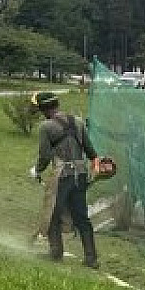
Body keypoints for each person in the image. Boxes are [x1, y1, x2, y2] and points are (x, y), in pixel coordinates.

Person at [29, 91, 112, 268]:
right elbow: (91, 153)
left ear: (44, 109)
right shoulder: (79, 123)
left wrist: (37, 170)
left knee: (52, 213)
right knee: (82, 217)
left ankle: (56, 252)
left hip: (63, 176)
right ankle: (91, 258)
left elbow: (44, 155)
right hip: (81, 175)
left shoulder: (46, 127)